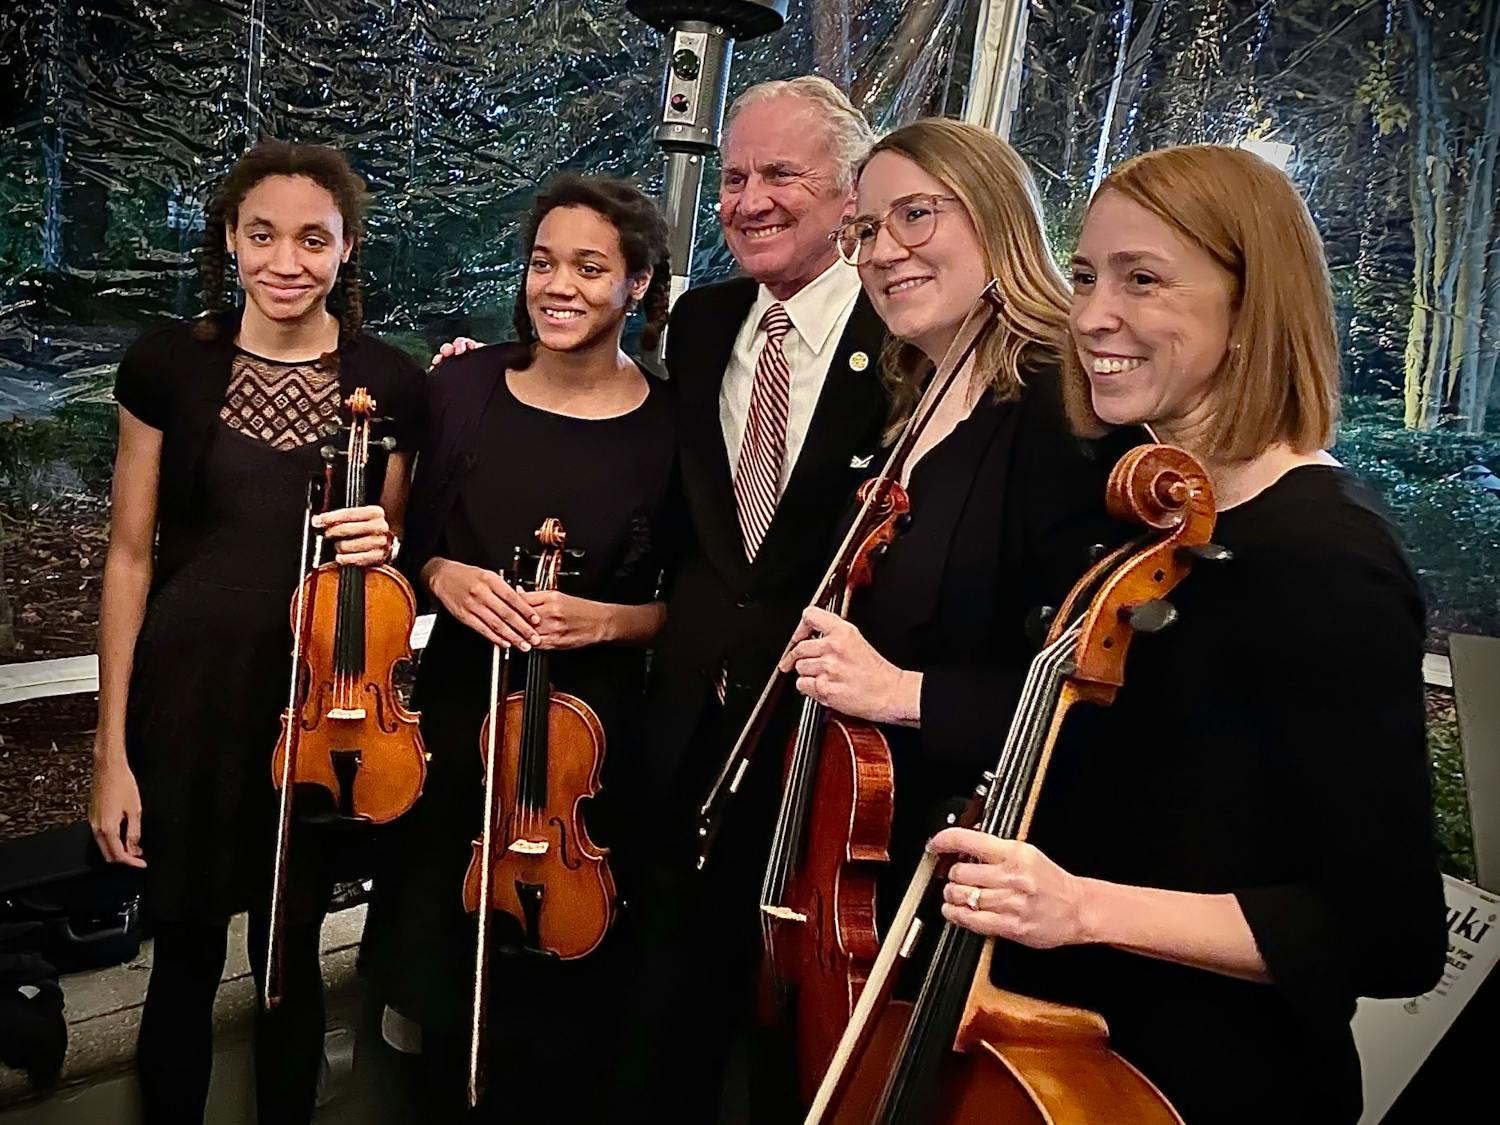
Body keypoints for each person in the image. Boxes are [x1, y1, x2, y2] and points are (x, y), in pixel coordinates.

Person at [927, 144, 1447, 1124]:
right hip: (1060, 1056)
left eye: (1144, 279)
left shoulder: (1327, 563)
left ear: (1252, 310)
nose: (1089, 317)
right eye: (1085, 277)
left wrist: (1081, 907)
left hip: (1198, 1084)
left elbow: (1387, 935)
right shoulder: (1146, 519)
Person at [87, 140, 425, 1124]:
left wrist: (387, 540)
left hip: (322, 720)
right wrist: (110, 752)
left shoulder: (393, 388)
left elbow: (389, 562)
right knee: (182, 964)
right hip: (185, 706)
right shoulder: (165, 366)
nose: (288, 261)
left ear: (348, 248)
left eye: (313, 239)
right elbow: (129, 556)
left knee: (291, 969)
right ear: (230, 241)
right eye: (264, 235)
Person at [361, 174, 677, 1119]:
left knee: (564, 1019)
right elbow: (401, 544)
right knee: (435, 994)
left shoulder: (674, 425)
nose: (560, 285)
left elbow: (701, 602)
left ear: (639, 284)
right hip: (458, 731)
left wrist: (610, 618)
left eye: (590, 266)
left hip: (590, 754)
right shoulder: (458, 386)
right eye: (544, 262)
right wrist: (443, 578)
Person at [778, 118, 1140, 941]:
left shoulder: (1068, 408)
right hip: (875, 837)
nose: (881, 250)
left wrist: (898, 691)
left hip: (985, 869)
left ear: (994, 216)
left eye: (914, 215)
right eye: (864, 230)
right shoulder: (910, 405)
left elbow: (1106, 696)